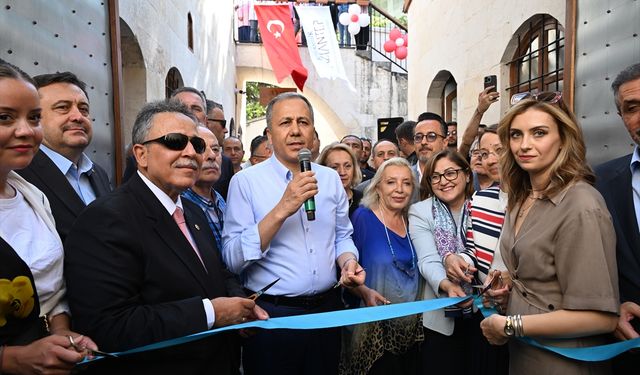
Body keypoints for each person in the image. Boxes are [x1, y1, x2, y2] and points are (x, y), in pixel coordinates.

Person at [64, 100, 267, 374]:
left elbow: (215, 273)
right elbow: (108, 326)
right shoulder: (106, 219)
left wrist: (241, 306)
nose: (191, 153)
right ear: (141, 154)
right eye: (174, 141)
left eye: (196, 145)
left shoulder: (192, 211)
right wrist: (212, 314)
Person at [222, 92, 365, 375]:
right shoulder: (245, 183)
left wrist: (348, 262)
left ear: (313, 132)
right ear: (270, 133)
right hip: (273, 316)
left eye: (303, 122)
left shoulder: (329, 179)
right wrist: (282, 209)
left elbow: (341, 236)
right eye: (285, 122)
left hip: (326, 311)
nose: (296, 130)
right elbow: (232, 258)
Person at [480, 93, 619, 374]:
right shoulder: (520, 197)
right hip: (523, 354)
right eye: (516, 135)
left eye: (539, 133)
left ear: (563, 140)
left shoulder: (582, 204)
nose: (525, 145)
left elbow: (601, 317)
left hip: (564, 360)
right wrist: (509, 286)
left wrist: (510, 325)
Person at [0, 60, 98, 374]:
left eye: (34, 118)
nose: (26, 131)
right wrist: (12, 359)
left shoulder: (32, 197)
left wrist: (59, 330)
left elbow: (52, 289)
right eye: (5, 118)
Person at [340, 157, 422, 375]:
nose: (399, 189)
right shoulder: (363, 218)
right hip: (372, 329)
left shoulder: (413, 219)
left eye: (406, 183)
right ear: (377, 187)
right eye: (391, 182)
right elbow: (345, 273)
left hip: (411, 329)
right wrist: (364, 291)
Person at [16, 71, 111, 242]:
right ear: (35, 118)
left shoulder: (99, 174)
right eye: (62, 107)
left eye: (84, 109)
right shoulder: (19, 174)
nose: (78, 117)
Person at [408, 149, 479, 374]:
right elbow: (427, 259)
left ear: (467, 175)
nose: (443, 182)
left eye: (450, 173)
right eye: (436, 177)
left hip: (485, 313)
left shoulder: (484, 206)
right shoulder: (420, 211)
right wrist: (448, 285)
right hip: (440, 319)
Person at [595, 62, 640, 373]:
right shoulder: (602, 180)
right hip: (629, 344)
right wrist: (612, 306)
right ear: (623, 118)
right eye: (632, 107)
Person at [182, 126, 226, 252]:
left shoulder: (219, 199)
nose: (212, 155)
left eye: (216, 149)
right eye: (201, 148)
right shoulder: (180, 207)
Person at [317, 142, 363, 217]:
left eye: (347, 166)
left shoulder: (364, 200)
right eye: (334, 167)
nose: (342, 172)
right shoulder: (315, 201)